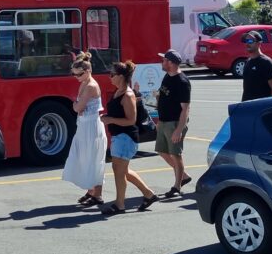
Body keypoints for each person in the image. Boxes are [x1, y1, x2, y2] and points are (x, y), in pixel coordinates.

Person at [100, 61, 158, 216]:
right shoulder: (119, 91)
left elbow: (131, 120)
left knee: (119, 171)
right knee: (122, 170)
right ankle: (148, 194)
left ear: (120, 76)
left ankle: (120, 204)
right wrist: (109, 118)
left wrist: (110, 120)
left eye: (112, 74)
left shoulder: (128, 95)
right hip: (120, 136)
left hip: (126, 137)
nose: (109, 77)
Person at [62, 52, 106, 206]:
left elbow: (78, 106)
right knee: (84, 158)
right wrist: (77, 106)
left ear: (87, 71)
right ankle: (91, 190)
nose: (76, 78)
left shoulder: (91, 85)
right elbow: (77, 105)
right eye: (74, 75)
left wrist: (76, 105)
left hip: (91, 126)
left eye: (78, 74)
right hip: (84, 124)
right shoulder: (84, 83)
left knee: (93, 159)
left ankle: (97, 194)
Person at [155, 49, 193, 199]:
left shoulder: (182, 82)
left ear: (170, 63)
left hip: (174, 122)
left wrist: (179, 129)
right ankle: (183, 175)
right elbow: (162, 98)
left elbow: (185, 109)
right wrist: (159, 120)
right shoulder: (167, 76)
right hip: (164, 121)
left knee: (175, 154)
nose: (162, 62)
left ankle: (177, 186)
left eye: (164, 60)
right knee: (162, 151)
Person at [241, 31, 272, 102]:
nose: (247, 43)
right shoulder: (248, 62)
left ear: (259, 44)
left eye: (250, 41)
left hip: (261, 107)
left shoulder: (266, 62)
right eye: (246, 41)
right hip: (248, 106)